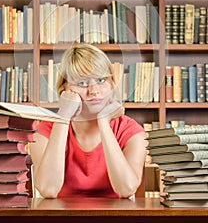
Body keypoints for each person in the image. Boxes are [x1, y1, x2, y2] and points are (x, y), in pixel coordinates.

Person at [30, 43, 147, 198]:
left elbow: (126, 189)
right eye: (82, 83)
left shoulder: (131, 131)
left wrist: (104, 123)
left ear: (112, 83)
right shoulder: (44, 131)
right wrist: (63, 117)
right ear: (65, 90)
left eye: (100, 80)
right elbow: (48, 190)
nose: (93, 91)